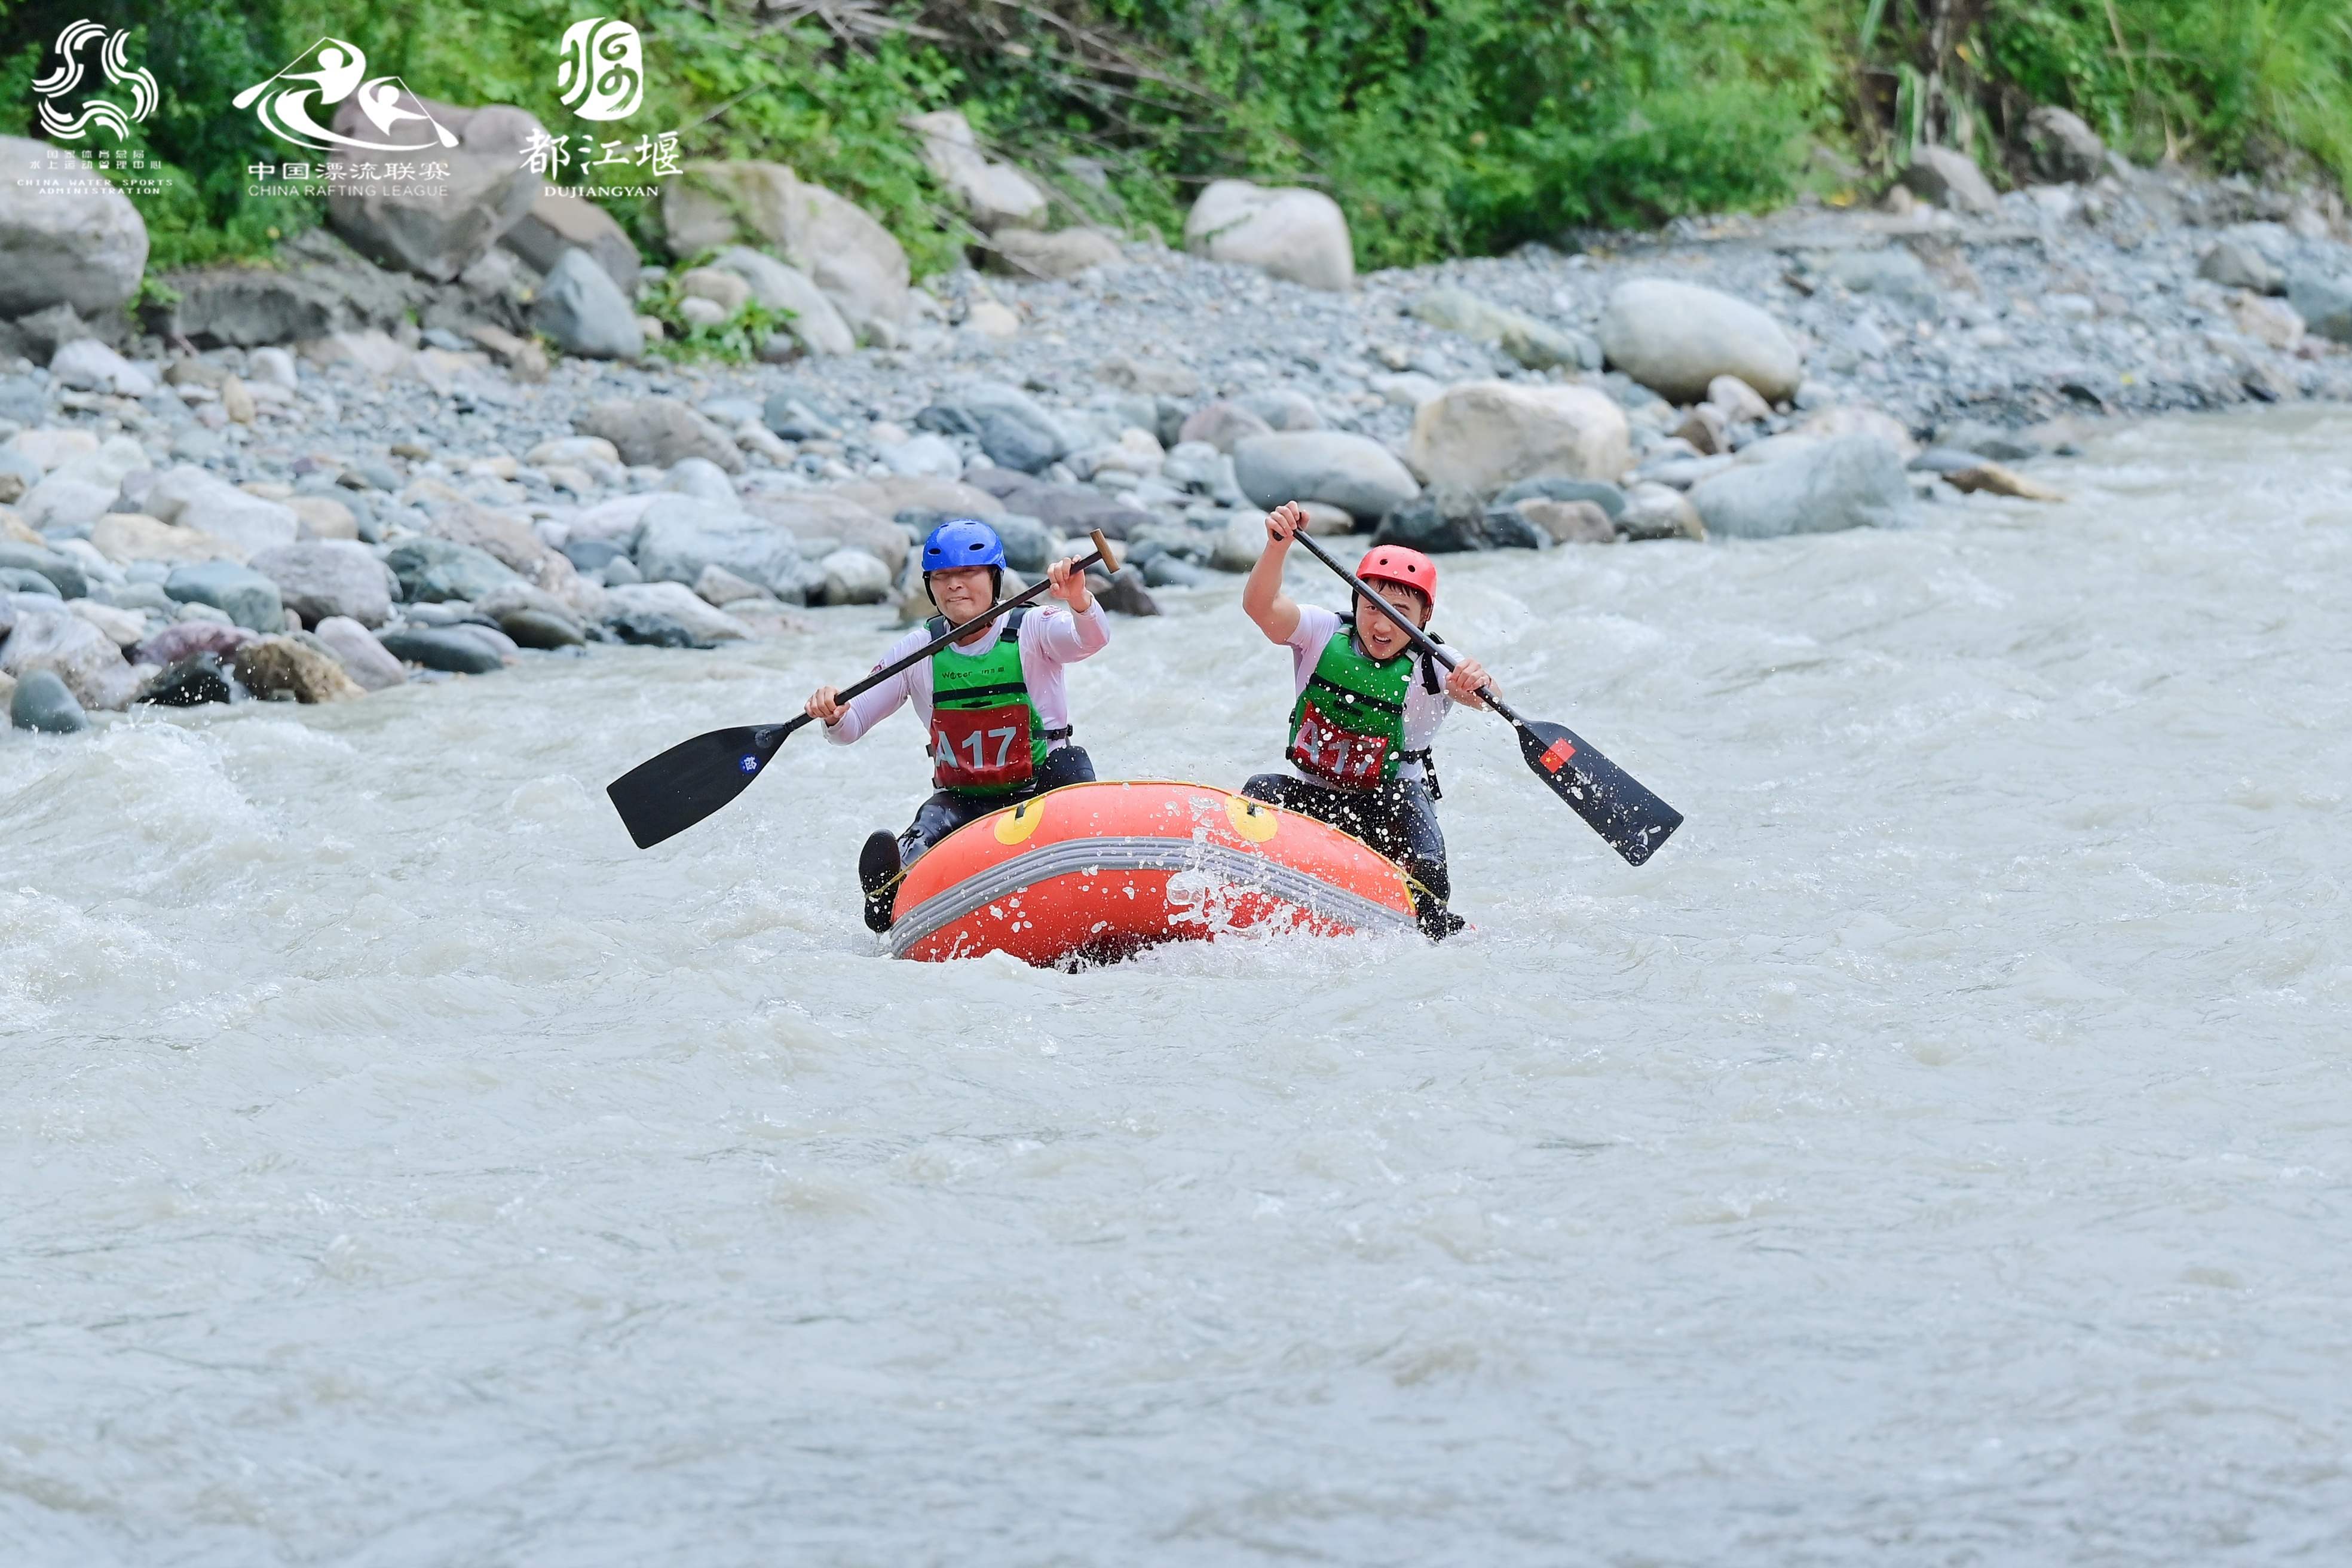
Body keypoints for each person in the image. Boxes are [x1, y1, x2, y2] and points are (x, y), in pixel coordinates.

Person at [806, 518, 1108, 932]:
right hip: (962, 801)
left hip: (1040, 791)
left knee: (1072, 761)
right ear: (930, 586)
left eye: (968, 573)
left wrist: (1078, 599)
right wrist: (834, 715)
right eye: (943, 577)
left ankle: (1086, 877)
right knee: (924, 829)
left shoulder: (1035, 628)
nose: (955, 585)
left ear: (994, 578)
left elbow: (1091, 640)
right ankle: (886, 894)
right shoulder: (917, 652)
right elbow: (852, 726)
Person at [1238, 501, 1494, 939]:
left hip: (1388, 816)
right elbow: (1261, 608)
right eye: (1373, 606)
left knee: (1414, 812)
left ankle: (1430, 915)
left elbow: (1479, 695)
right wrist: (1277, 547)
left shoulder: (1434, 664)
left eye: (1399, 611)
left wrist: (1475, 684)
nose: (1381, 623)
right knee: (1260, 790)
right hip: (1319, 805)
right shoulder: (1320, 633)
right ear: (1356, 601)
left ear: (1423, 618)